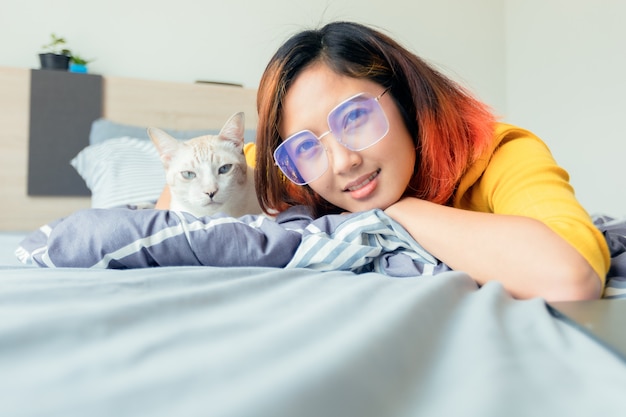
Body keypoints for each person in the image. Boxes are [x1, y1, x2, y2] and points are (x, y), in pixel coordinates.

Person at [251, 21, 609, 301]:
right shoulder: (299, 172)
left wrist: (400, 211)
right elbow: (236, 161)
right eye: (306, 146)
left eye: (355, 118)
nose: (343, 162)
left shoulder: (500, 152)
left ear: (406, 100)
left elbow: (570, 278)